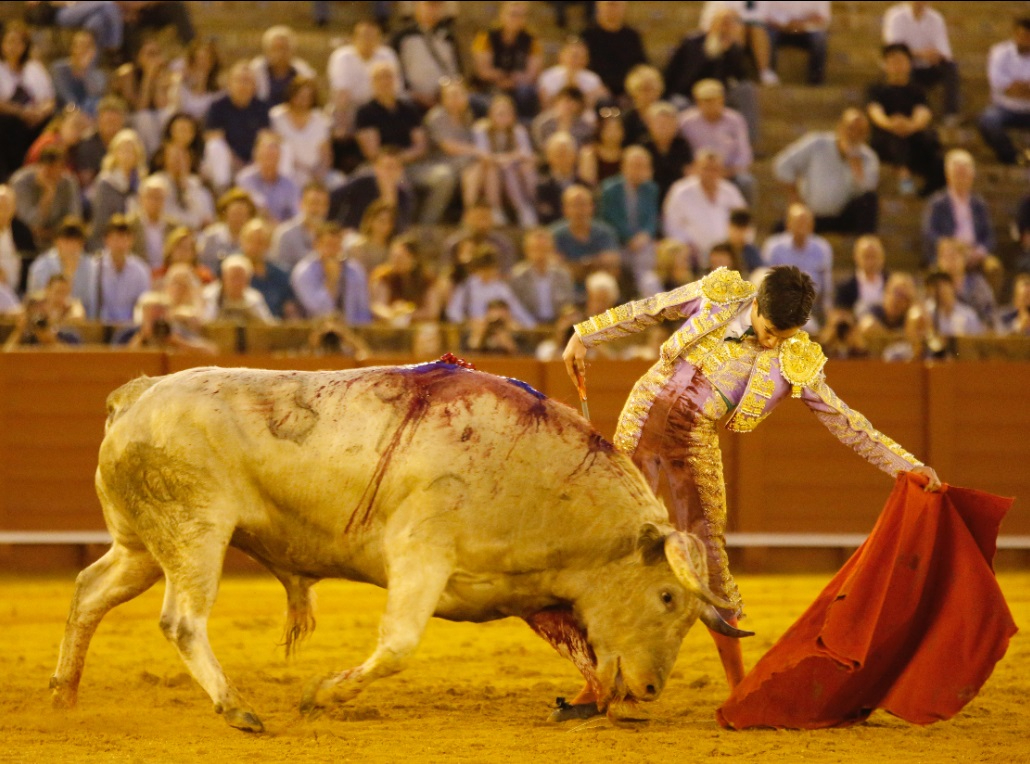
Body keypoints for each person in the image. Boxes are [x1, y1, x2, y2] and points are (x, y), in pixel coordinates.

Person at [558, 264, 943, 721]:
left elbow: (848, 423)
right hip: (640, 420)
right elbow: (650, 309)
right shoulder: (719, 295)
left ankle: (740, 690)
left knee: (712, 565)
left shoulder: (794, 358)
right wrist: (586, 334)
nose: (772, 342)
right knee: (616, 552)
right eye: (769, 330)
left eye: (784, 335)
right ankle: (597, 683)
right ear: (755, 305)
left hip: (692, 447)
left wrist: (908, 465)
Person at [773, 107, 880, 235]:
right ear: (840, 128)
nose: (854, 135)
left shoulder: (868, 158)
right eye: (850, 129)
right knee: (779, 230)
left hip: (843, 217)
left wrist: (856, 165)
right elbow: (782, 165)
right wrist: (795, 196)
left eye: (860, 131)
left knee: (869, 200)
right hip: (811, 216)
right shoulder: (818, 143)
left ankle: (865, 245)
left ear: (865, 135)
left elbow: (868, 189)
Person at [865, 43, 945, 197]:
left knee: (937, 155)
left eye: (901, 61)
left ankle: (927, 194)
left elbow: (923, 113)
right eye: (892, 61)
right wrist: (891, 124)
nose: (897, 65)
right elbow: (875, 113)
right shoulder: (876, 89)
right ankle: (904, 175)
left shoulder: (917, 90)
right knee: (896, 139)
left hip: (912, 138)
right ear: (885, 64)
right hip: (885, 140)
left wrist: (910, 126)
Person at [663, 149, 748, 272]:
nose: (710, 173)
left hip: (728, 256)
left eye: (715, 169)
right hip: (692, 257)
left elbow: (743, 222)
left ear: (721, 171)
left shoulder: (730, 192)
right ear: (696, 168)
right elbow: (671, 225)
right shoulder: (681, 192)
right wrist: (686, 245)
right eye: (706, 168)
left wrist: (736, 244)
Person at [678, 78, 756, 205]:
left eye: (713, 100)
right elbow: (678, 149)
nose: (709, 104)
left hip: (728, 172)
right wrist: (695, 170)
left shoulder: (735, 120)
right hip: (697, 173)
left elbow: (744, 155)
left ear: (722, 100)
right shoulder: (685, 122)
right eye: (705, 100)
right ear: (697, 101)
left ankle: (744, 221)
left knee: (745, 182)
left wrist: (726, 172)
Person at [882, 2, 960, 124]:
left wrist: (936, 55)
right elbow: (894, 49)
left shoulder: (936, 19)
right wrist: (920, 54)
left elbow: (945, 50)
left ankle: (950, 115)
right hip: (906, 66)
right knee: (900, 65)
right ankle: (908, 114)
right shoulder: (895, 16)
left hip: (929, 66)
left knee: (951, 67)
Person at [920, 149, 996, 268]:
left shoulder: (979, 204)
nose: (962, 177)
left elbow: (989, 236)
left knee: (993, 267)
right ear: (948, 174)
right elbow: (929, 233)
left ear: (972, 175)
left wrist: (980, 252)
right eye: (958, 173)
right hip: (949, 253)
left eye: (965, 173)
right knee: (951, 263)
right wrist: (952, 248)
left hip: (974, 253)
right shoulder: (937, 203)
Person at [471, 93, 537, 228]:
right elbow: (483, 154)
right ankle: (496, 209)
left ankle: (524, 208)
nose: (503, 117)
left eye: (507, 114)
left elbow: (526, 153)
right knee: (493, 169)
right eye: (499, 114)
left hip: (512, 169)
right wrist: (506, 159)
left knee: (517, 169)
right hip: (489, 170)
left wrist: (509, 160)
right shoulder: (481, 129)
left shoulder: (518, 130)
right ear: (491, 114)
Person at [470, 0, 544, 119]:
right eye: (513, 14)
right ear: (502, 15)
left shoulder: (532, 41)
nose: (516, 19)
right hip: (491, 87)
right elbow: (483, 71)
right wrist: (501, 78)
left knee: (528, 92)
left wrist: (513, 81)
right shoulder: (485, 37)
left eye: (521, 15)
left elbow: (531, 74)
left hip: (518, 88)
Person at [762, 203, 833, 324]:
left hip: (813, 306)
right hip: (780, 307)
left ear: (812, 225)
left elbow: (826, 284)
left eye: (806, 222)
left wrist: (829, 313)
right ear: (788, 224)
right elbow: (766, 281)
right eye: (798, 222)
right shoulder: (774, 247)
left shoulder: (822, 248)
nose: (802, 226)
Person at [290, 222, 371, 324]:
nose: (333, 251)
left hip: (352, 329)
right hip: (315, 330)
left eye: (337, 245)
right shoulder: (303, 272)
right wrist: (332, 280)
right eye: (329, 245)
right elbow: (319, 310)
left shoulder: (354, 270)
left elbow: (362, 309)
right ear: (316, 245)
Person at [392, 0, 464, 112]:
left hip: (444, 99)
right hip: (412, 100)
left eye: (437, 6)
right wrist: (413, 93)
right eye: (428, 5)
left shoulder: (448, 37)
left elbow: (457, 69)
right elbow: (394, 68)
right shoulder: (402, 37)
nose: (432, 10)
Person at [977, 16, 1030, 166]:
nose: (1025, 40)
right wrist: (1024, 89)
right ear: (1015, 34)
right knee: (987, 121)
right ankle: (1013, 158)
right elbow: (998, 84)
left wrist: (1015, 87)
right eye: (1022, 36)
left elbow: (1010, 87)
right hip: (1004, 108)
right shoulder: (1000, 52)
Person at [580, 0, 648, 103]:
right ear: (599, 7)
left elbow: (640, 66)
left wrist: (629, 92)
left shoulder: (632, 37)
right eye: (609, 4)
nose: (612, 9)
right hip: (596, 92)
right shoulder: (587, 36)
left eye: (616, 5)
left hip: (628, 95)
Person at [369, 234, 443, 325]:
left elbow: (433, 311)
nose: (395, 261)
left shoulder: (427, 279)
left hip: (419, 329)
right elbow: (378, 306)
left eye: (400, 258)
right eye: (393, 257)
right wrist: (392, 314)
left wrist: (408, 315)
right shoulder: (384, 277)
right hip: (391, 328)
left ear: (414, 259)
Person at [509, 227, 576, 325]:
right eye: (535, 249)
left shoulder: (562, 274)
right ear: (527, 250)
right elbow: (515, 307)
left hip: (557, 325)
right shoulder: (517, 276)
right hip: (527, 326)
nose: (540, 254)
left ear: (552, 250)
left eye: (544, 249)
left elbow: (568, 303)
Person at [95, 214, 151, 324]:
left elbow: (143, 304)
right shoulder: (95, 267)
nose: (120, 244)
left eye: (124, 239)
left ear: (131, 241)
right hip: (101, 326)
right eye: (115, 239)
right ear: (106, 240)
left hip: (130, 328)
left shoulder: (141, 270)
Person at [762, 0, 831, 85]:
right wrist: (786, 24)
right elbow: (764, 15)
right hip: (778, 28)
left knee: (819, 38)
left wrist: (800, 25)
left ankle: (816, 82)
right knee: (766, 35)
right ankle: (769, 76)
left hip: (805, 29)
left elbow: (822, 18)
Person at [249, 25, 316, 108]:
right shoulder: (255, 71)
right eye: (276, 48)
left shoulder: (304, 72)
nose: (281, 53)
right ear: (267, 50)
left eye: (285, 48)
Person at [202, 253, 276, 324]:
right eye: (233, 277)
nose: (237, 282)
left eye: (241, 278)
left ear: (248, 280)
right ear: (224, 278)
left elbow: (268, 326)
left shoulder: (254, 299)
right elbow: (206, 323)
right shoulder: (210, 296)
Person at [50, 29, 106, 117]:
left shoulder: (98, 75)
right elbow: (67, 98)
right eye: (78, 45)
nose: (82, 49)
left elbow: (94, 97)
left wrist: (86, 70)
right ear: (72, 47)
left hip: (90, 117)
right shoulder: (59, 69)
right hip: (66, 113)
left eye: (86, 46)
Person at [834, 235, 889, 319]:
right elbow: (841, 315)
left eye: (874, 256)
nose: (871, 262)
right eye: (866, 256)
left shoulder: (891, 282)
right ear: (856, 257)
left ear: (882, 257)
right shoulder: (845, 286)